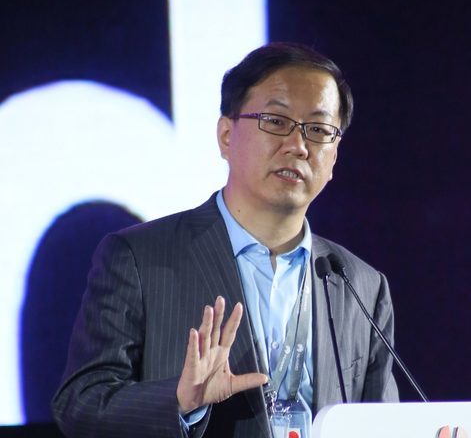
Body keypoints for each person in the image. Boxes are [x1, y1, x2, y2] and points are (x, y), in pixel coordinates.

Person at [52, 42, 399, 438]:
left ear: (333, 157)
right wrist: (180, 402)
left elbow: (382, 425)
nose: (298, 146)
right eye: (276, 121)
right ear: (226, 135)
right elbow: (80, 405)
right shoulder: (138, 258)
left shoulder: (361, 284)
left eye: (318, 130)